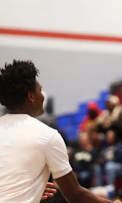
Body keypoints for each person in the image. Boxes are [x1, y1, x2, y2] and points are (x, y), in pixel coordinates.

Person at [0, 60, 112, 203]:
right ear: (31, 96)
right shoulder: (47, 135)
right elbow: (76, 195)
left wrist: (27, 188)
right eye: (40, 91)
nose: (43, 97)